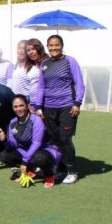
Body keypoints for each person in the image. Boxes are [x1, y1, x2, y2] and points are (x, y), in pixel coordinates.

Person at [36, 34, 85, 184]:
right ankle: (61, 165)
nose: (54, 48)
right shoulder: (44, 64)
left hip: (67, 106)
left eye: (56, 45)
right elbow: (41, 87)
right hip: (49, 107)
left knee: (65, 139)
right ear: (47, 47)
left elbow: (79, 84)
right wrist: (38, 106)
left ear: (62, 46)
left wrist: (77, 103)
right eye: (51, 45)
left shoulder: (70, 61)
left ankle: (72, 171)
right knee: (55, 139)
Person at [0, 95, 61, 188]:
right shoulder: (12, 122)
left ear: (27, 106)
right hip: (27, 152)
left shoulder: (36, 120)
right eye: (15, 106)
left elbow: (37, 143)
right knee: (3, 156)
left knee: (39, 158)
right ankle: (30, 170)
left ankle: (49, 175)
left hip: (44, 151)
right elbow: (14, 145)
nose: (18, 109)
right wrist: (4, 140)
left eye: (21, 105)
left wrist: (24, 162)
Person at [19, 38, 47, 110]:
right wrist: (28, 104)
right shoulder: (30, 66)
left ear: (39, 48)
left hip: (45, 103)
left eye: (33, 49)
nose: (31, 52)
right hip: (32, 104)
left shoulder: (47, 63)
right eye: (28, 50)